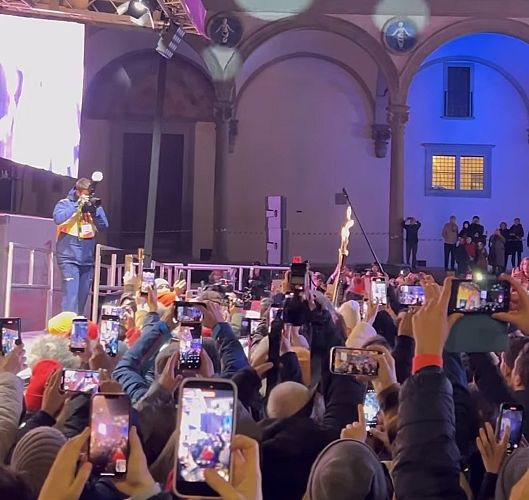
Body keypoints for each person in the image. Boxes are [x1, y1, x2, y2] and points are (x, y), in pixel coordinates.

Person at [53, 177, 108, 314]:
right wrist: (77, 205)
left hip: (86, 259)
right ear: (78, 192)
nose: (87, 197)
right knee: (71, 298)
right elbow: (58, 218)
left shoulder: (93, 205)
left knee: (82, 299)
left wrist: (94, 211)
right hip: (68, 257)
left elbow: (104, 226)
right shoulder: (65, 203)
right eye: (85, 194)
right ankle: (67, 326)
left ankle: (78, 326)